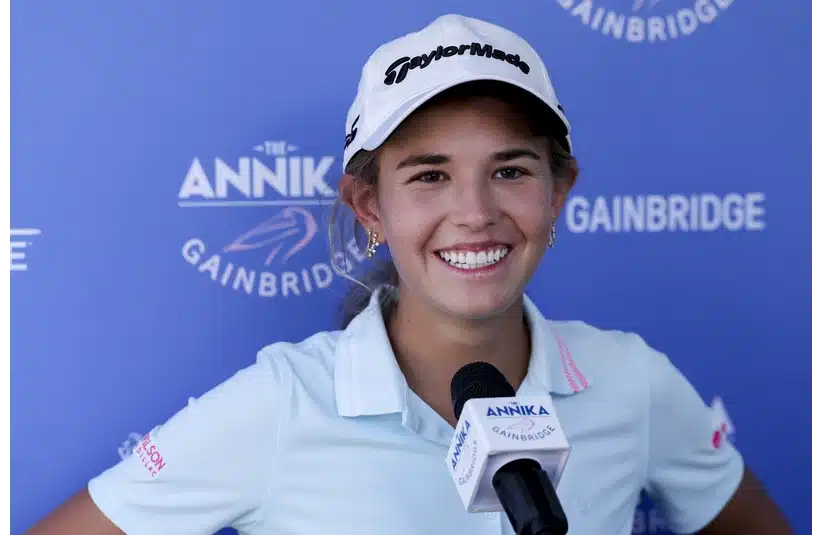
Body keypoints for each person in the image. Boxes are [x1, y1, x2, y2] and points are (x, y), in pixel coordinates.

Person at [27, 13, 792, 535]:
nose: (474, 212)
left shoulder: (634, 381)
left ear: (559, 191)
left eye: (511, 170)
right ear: (369, 207)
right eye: (429, 175)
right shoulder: (283, 403)